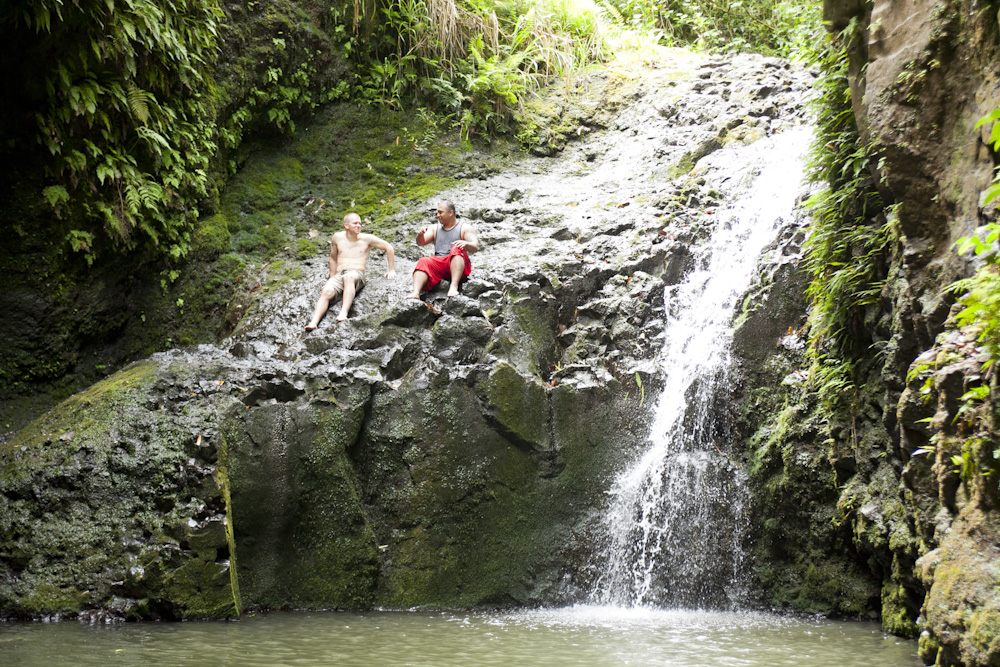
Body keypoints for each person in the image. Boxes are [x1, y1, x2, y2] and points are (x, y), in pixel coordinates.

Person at [305, 212, 395, 330]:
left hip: (356, 274)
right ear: (346, 225)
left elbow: (389, 247)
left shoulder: (367, 239)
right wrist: (331, 277)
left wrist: (391, 270)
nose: (358, 226)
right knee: (326, 291)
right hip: (339, 274)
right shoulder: (337, 237)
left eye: (360, 224)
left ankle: (343, 313)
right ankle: (313, 322)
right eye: (355, 223)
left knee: (349, 277)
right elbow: (332, 258)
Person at [407, 200, 479, 298]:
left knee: (456, 249)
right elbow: (421, 242)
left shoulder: (465, 228)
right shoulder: (434, 228)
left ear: (450, 213)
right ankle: (416, 293)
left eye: (440, 212)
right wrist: (420, 235)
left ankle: (453, 287)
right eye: (437, 212)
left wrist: (466, 243)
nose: (437, 215)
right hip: (440, 264)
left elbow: (475, 247)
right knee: (423, 261)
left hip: (457, 263)